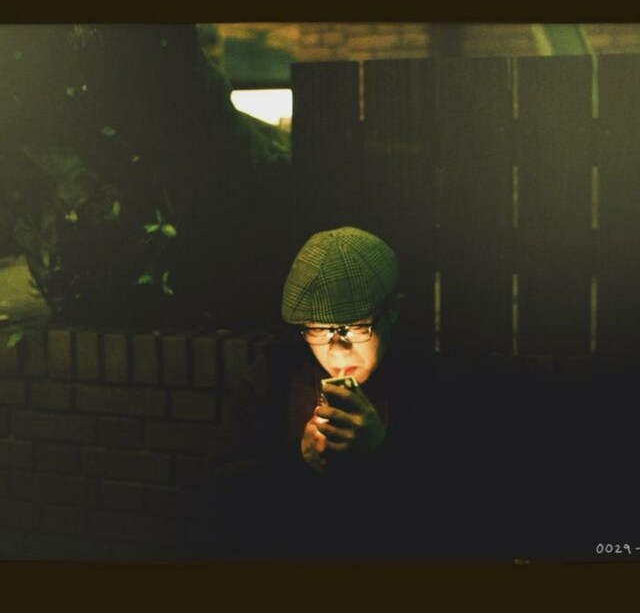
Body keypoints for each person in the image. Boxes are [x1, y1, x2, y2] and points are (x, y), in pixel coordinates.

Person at [187, 226, 608, 563]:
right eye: (318, 330)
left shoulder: (440, 382)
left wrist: (382, 452)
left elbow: (475, 516)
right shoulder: (276, 377)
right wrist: (299, 461)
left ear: (393, 312)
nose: (337, 349)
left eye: (354, 327)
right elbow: (216, 501)